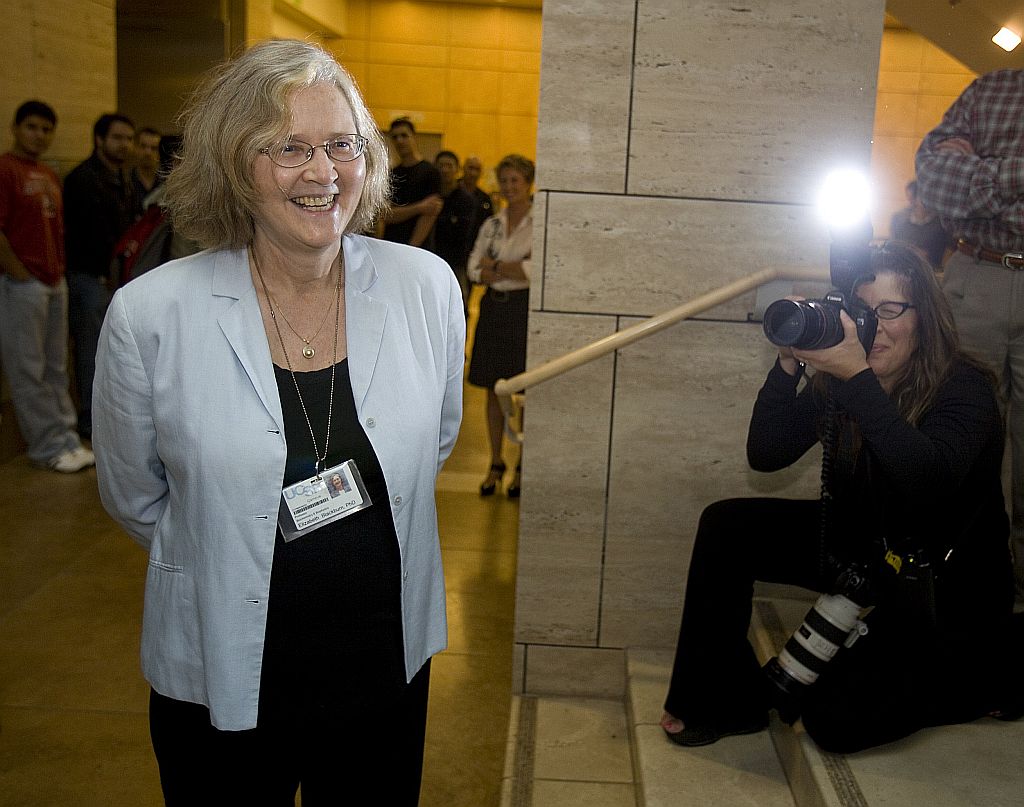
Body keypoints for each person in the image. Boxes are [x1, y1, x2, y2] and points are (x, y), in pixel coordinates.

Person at [92, 39, 464, 805]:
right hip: (223, 667)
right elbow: (135, 495)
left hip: (382, 665)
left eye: (341, 145)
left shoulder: (424, 287)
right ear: (234, 162)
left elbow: (434, 440)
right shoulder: (153, 313)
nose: (322, 172)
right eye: (287, 148)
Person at [660, 241, 1020, 754]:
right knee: (727, 525)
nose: (873, 326)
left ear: (926, 318)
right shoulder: (842, 378)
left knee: (832, 721)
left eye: (890, 311)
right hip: (865, 547)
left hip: (939, 583)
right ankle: (718, 700)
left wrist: (857, 378)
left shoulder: (965, 388)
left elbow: (925, 479)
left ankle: (991, 674)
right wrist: (789, 364)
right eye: (861, 312)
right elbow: (766, 453)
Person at [915, 69, 1024, 601]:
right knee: (960, 427)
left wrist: (979, 174)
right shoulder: (990, 90)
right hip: (975, 274)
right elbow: (934, 183)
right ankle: (962, 576)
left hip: (983, 261)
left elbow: (959, 184)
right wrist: (1015, 178)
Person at [0, 100, 94, 473]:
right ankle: (47, 445)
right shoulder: (5, 170)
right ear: (16, 128)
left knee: (57, 366)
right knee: (29, 368)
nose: (39, 135)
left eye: (45, 129)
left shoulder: (48, 174)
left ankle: (66, 438)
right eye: (32, 127)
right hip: (23, 284)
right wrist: (20, 274)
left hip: (56, 281)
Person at [63, 112, 140, 439]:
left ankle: (107, 420)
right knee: (90, 352)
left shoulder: (122, 178)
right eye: (117, 138)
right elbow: (90, 235)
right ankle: (91, 421)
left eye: (128, 138)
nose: (124, 145)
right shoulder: (83, 179)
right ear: (99, 139)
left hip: (113, 279)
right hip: (90, 278)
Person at [466, 154, 533, 497]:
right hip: (494, 309)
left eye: (515, 181)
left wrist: (499, 267)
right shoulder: (492, 223)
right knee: (493, 388)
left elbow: (536, 272)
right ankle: (496, 462)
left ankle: (523, 464)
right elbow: (474, 270)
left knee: (525, 388)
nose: (509, 187)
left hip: (526, 313)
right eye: (504, 181)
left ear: (528, 182)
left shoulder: (542, 222)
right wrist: (512, 267)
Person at [380, 117, 442, 248]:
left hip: (418, 247)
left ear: (414, 137)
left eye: (404, 135)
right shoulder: (391, 174)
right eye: (395, 137)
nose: (400, 141)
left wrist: (412, 247)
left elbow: (430, 213)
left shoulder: (431, 172)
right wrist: (419, 207)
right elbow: (386, 215)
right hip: (392, 243)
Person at [431, 149, 475, 307]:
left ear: (457, 169)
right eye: (441, 166)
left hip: (456, 263)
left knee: (458, 304)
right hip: (431, 258)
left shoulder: (466, 199)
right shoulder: (431, 196)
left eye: (449, 166)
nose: (444, 170)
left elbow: (464, 234)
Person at [888, 180, 952, 270]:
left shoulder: (942, 223)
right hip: (903, 270)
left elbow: (951, 249)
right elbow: (893, 248)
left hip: (933, 272)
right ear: (914, 200)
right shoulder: (899, 220)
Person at [460, 154, 493, 249]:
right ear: (463, 168)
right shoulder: (453, 191)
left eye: (477, 169)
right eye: (470, 168)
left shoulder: (485, 198)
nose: (473, 173)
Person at [132, 126, 162, 196]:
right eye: (143, 146)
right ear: (135, 148)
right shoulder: (126, 181)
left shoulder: (167, 181)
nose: (148, 152)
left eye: (154, 148)